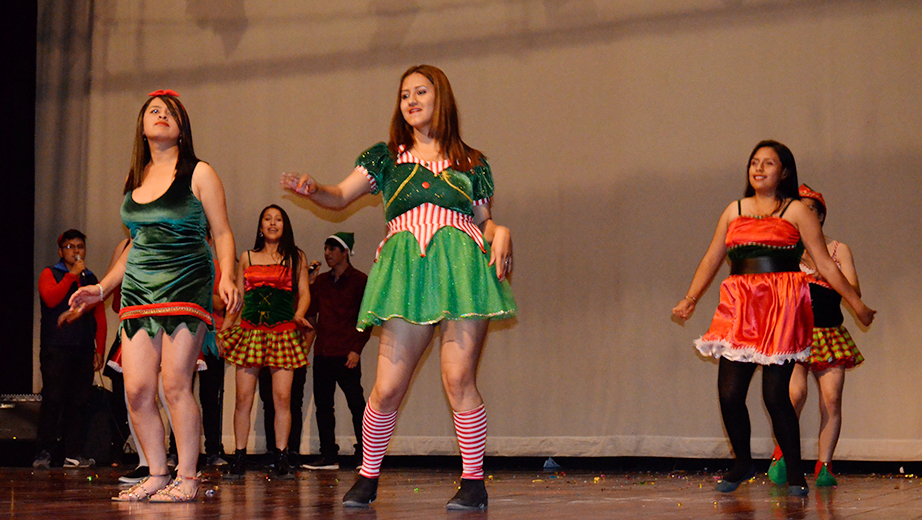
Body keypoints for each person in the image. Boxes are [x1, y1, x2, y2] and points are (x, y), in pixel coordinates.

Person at [282, 64, 517, 510]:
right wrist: (314, 190)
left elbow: (485, 225)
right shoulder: (385, 157)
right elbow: (339, 195)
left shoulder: (472, 162)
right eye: (404, 94)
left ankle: (473, 482)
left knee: (458, 377)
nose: (410, 100)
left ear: (440, 97)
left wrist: (500, 231)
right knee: (387, 387)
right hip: (407, 273)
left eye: (420, 91)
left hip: (462, 272)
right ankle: (368, 476)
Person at [672, 140, 875, 497]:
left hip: (781, 307)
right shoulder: (733, 210)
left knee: (775, 396)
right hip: (740, 307)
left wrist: (855, 303)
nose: (759, 168)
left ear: (784, 172)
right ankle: (742, 463)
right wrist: (690, 299)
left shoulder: (796, 211)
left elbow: (825, 264)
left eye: (768, 163)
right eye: (754, 162)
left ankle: (794, 471)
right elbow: (711, 258)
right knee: (730, 393)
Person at [69, 89, 239, 502]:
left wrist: (228, 276)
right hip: (139, 289)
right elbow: (134, 246)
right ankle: (158, 473)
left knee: (175, 382)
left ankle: (187, 479)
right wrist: (102, 287)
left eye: (170, 112)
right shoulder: (137, 177)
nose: (161, 116)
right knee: (136, 388)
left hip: (186, 282)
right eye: (154, 111)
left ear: (182, 127)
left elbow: (221, 232)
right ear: (142, 126)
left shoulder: (199, 173)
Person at [767, 184, 865, 488]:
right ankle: (782, 457)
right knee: (794, 395)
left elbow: (854, 292)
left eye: (810, 210)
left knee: (831, 400)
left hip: (829, 334)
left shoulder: (838, 250)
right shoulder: (785, 251)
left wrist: (825, 273)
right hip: (794, 335)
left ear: (820, 216)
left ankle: (825, 466)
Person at [218, 204, 311, 480]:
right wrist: (224, 331)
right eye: (267, 219)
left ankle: (281, 456)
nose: (272, 223)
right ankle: (239, 457)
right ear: (260, 226)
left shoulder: (296, 257)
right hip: (249, 333)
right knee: (243, 400)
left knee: (282, 399)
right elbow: (237, 301)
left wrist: (298, 315)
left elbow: (304, 294)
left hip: (283, 333)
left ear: (285, 225)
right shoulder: (246, 257)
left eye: (278, 219)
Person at [33, 229, 107, 469]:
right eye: (70, 246)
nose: (76, 251)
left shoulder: (91, 278)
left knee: (79, 401)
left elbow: (100, 316)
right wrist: (70, 276)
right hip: (56, 347)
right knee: (53, 399)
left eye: (80, 247)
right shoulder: (50, 273)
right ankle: (45, 451)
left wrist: (100, 349)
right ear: (60, 250)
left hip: (83, 347)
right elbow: (51, 298)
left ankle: (73, 453)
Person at [300, 232, 372, 471]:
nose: (327, 253)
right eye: (325, 248)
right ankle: (328, 454)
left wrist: (356, 349)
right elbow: (308, 312)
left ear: (344, 252)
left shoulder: (360, 280)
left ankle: (365, 453)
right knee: (323, 405)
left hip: (347, 353)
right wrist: (309, 283)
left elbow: (366, 319)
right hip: (323, 351)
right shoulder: (320, 282)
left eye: (332, 249)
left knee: (356, 404)